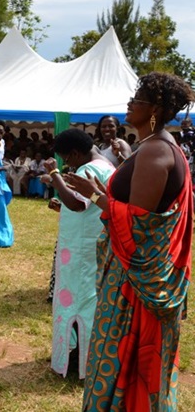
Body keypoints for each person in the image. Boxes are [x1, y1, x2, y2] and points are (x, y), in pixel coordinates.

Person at [67, 72, 194, 410]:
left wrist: (95, 196)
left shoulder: (155, 152)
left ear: (154, 109)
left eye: (137, 98)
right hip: (134, 279)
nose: (129, 102)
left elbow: (138, 224)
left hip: (135, 285)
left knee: (126, 360)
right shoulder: (152, 148)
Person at [38, 129, 114, 379]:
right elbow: (87, 206)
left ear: (74, 153)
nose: (65, 164)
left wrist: (54, 174)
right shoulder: (106, 164)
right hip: (92, 245)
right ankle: (86, 358)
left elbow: (78, 204)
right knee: (89, 300)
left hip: (81, 252)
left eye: (65, 159)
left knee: (77, 302)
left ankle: (76, 362)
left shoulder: (88, 170)